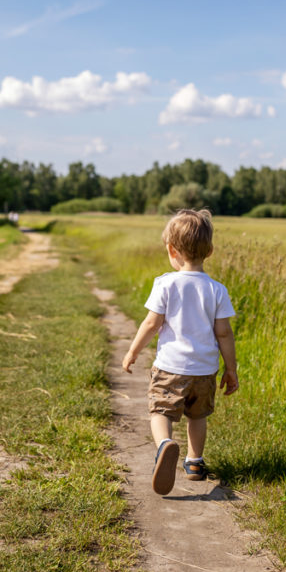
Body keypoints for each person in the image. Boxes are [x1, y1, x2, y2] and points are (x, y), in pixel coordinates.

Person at [121, 209, 239, 495]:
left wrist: (133, 351)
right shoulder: (217, 290)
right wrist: (231, 369)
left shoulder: (165, 283)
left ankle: (165, 445)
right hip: (204, 370)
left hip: (170, 367)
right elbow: (223, 332)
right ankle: (195, 462)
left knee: (160, 410)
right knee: (197, 416)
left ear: (172, 251)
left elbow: (152, 323)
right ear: (209, 251)